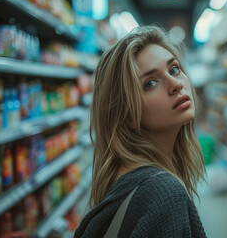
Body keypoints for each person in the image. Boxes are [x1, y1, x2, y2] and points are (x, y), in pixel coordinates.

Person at [74, 25, 207, 238]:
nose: (175, 84)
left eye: (174, 69)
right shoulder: (163, 194)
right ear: (127, 115)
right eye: (150, 83)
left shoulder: (126, 182)